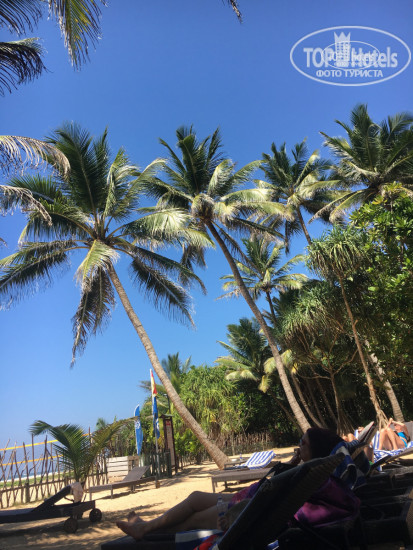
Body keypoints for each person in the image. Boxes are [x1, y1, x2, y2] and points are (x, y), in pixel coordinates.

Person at [116, 428, 344, 540]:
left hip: (247, 508)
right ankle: (147, 526)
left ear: (315, 450)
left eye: (302, 443)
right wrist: (291, 465)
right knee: (195, 497)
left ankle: (146, 531)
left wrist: (236, 513)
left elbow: (277, 504)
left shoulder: (308, 476)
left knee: (194, 519)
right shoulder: (311, 472)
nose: (298, 446)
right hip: (250, 498)